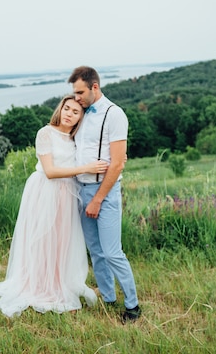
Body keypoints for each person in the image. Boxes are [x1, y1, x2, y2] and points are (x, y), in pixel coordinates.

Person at [0, 95, 108, 318]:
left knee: (63, 241)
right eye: (67, 109)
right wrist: (85, 168)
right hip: (45, 191)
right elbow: (50, 171)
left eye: (75, 112)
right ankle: (40, 285)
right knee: (43, 239)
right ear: (60, 109)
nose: (69, 114)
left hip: (67, 194)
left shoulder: (76, 138)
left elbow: (98, 151)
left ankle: (60, 283)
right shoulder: (45, 133)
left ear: (81, 117)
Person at [67, 65, 142, 323]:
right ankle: (108, 299)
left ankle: (133, 306)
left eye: (79, 92)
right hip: (81, 189)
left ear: (94, 87)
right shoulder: (82, 113)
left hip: (104, 192)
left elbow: (118, 163)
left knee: (112, 252)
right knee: (96, 251)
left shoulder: (114, 114)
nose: (76, 98)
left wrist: (98, 198)